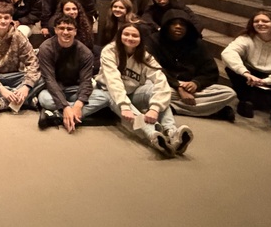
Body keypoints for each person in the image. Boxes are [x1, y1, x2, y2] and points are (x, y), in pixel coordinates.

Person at [98, 24, 191, 156]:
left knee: (156, 90)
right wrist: (124, 106)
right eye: (126, 34)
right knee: (125, 105)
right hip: (110, 93)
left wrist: (155, 108)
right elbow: (113, 81)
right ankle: (153, 135)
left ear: (141, 39)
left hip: (133, 93)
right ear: (120, 36)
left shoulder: (145, 56)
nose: (130, 38)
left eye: (135, 35)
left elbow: (161, 80)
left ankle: (172, 133)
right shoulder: (110, 51)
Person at [152, 10, 238, 121]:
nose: (178, 27)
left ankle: (173, 108)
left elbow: (210, 71)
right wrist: (178, 86)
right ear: (166, 26)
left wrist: (196, 83)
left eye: (183, 24)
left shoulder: (196, 43)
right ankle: (213, 111)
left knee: (229, 93)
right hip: (167, 84)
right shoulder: (154, 41)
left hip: (191, 87)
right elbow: (154, 68)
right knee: (151, 91)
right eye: (174, 23)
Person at [36, 16, 110, 132]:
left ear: (75, 31)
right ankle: (72, 115)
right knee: (44, 99)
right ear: (55, 30)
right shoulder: (46, 48)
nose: (65, 32)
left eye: (69, 29)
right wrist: (65, 106)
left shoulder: (85, 53)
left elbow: (86, 82)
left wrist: (78, 105)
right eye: (61, 28)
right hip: (54, 89)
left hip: (75, 89)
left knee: (105, 97)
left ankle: (57, 116)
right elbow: (49, 80)